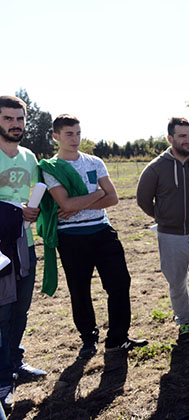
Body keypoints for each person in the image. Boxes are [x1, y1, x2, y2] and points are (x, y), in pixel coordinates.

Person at [38, 114, 147, 359]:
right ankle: (88, 338)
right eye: (68, 134)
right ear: (56, 136)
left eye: (77, 133)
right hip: (71, 237)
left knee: (119, 283)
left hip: (102, 231)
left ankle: (118, 339)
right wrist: (97, 194)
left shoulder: (95, 162)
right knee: (79, 289)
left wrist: (77, 205)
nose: (75, 138)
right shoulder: (50, 168)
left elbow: (114, 198)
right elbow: (64, 202)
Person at [136, 117, 189, 343]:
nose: (188, 140)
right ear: (170, 138)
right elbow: (143, 200)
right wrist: (163, 218)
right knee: (177, 282)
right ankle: (183, 323)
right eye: (182, 136)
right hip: (170, 236)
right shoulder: (155, 168)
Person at [0, 95, 47, 414]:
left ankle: (15, 363)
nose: (15, 124)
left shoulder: (30, 157)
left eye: (19, 119)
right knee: (1, 314)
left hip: (24, 244)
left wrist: (35, 208)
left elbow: (34, 196)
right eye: (8, 119)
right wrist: (18, 213)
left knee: (21, 309)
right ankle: (2, 378)